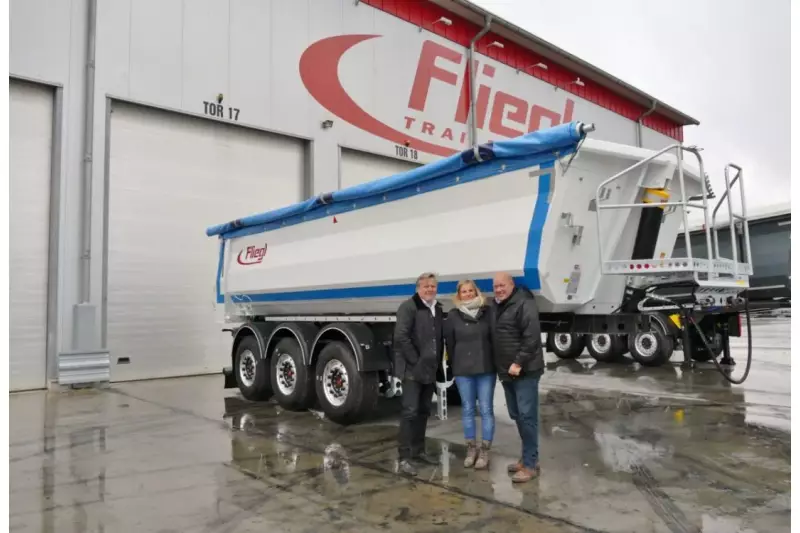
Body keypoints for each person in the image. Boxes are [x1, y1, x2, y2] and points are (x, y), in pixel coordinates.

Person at [490, 272, 544, 483]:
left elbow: (532, 338)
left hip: (524, 371)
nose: (499, 289)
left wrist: (518, 363)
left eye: (502, 285)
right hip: (506, 371)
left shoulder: (524, 303)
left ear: (512, 285)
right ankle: (529, 457)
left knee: (527, 416)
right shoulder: (496, 306)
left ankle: (530, 465)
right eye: (495, 286)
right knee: (516, 415)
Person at [393, 272, 445, 476]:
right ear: (418, 288)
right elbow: (402, 337)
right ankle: (404, 457)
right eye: (426, 286)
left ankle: (418, 451)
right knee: (410, 412)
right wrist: (415, 361)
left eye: (433, 286)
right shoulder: (408, 307)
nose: (430, 289)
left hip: (430, 370)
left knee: (423, 411)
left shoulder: (437, 309)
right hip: (413, 371)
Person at [444, 279, 496, 469]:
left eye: (470, 291)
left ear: (476, 292)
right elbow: (450, 343)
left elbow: (494, 339)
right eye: (463, 291)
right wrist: (455, 364)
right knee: (467, 409)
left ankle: (484, 451)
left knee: (486, 409)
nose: (467, 294)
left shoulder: (487, 313)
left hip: (486, 369)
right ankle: (471, 449)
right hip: (463, 369)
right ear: (459, 295)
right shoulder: (452, 316)